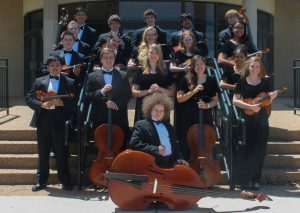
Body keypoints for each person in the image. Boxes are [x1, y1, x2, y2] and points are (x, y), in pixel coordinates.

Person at [25, 56, 75, 191]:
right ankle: (41, 181)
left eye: (57, 65)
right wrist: (41, 105)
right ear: (47, 67)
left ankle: (65, 181)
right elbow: (29, 98)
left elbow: (74, 103)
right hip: (44, 121)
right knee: (43, 152)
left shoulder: (70, 82)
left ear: (61, 66)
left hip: (60, 121)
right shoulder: (39, 81)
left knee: (61, 152)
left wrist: (63, 103)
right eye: (52, 65)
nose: (55, 67)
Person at [232, 56, 277, 190]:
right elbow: (235, 100)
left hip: (261, 120)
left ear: (260, 68)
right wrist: (250, 107)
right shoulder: (242, 81)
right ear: (248, 67)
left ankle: (255, 180)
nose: (255, 69)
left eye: (257, 67)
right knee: (245, 149)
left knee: (259, 150)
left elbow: (268, 100)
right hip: (246, 120)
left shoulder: (265, 82)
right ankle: (244, 180)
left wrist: (273, 96)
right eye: (252, 66)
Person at [85, 47, 131, 144]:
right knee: (101, 145)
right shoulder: (92, 76)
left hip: (118, 116)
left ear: (114, 59)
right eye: (105, 57)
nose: (108, 60)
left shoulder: (123, 75)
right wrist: (101, 91)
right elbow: (87, 95)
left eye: (111, 57)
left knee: (120, 144)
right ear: (101, 59)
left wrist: (116, 105)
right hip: (100, 116)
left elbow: (127, 94)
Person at [176, 55, 219, 159]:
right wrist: (193, 91)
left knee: (206, 141)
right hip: (188, 116)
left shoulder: (211, 79)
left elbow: (215, 100)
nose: (199, 66)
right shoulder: (186, 79)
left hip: (205, 115)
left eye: (201, 63)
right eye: (196, 64)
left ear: (205, 65)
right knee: (187, 142)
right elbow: (179, 98)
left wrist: (207, 105)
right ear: (193, 66)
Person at [130, 93, 188, 168]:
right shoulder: (141, 125)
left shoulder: (169, 126)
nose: (159, 113)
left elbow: (175, 146)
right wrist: (156, 149)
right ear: (150, 110)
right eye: (156, 110)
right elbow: (134, 143)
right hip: (152, 166)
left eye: (161, 111)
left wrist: (179, 158)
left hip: (170, 164)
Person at [131, 44, 174, 123]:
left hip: (161, 109)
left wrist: (160, 89)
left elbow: (172, 92)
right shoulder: (141, 70)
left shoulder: (165, 71)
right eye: (151, 52)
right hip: (144, 109)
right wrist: (148, 91)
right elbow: (134, 92)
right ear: (147, 54)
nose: (153, 55)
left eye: (156, 53)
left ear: (159, 55)